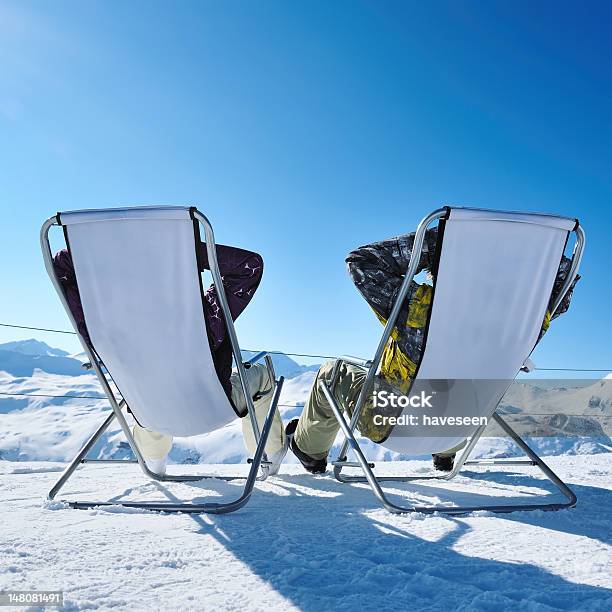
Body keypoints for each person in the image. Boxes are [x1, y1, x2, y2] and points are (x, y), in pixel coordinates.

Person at [287, 225, 579, 474]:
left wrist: (442, 242)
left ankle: (310, 453)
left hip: (392, 427)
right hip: (457, 428)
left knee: (334, 372)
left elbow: (360, 261)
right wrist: (526, 258)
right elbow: (564, 283)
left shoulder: (419, 305)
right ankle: (445, 453)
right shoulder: (527, 319)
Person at [53, 243, 286, 475]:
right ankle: (270, 454)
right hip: (211, 408)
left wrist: (121, 251)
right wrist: (177, 249)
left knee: (148, 383)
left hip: (150, 414)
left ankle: (153, 459)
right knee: (261, 374)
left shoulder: (106, 326)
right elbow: (249, 266)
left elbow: (62, 268)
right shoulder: (203, 318)